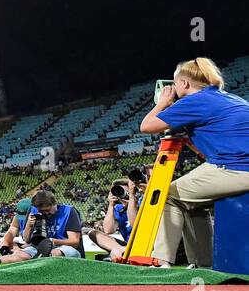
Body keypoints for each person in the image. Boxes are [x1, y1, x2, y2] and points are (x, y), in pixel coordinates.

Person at [141, 57, 249, 267]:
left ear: (184, 83)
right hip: (239, 166)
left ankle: (163, 262)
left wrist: (162, 103)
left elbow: (146, 126)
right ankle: (204, 265)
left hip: (236, 168)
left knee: (168, 195)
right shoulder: (232, 98)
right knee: (192, 203)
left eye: (175, 83)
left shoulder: (194, 101)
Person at [0, 190, 83, 263]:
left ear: (54, 204)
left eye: (48, 210)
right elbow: (26, 239)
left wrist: (52, 241)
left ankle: (40, 258)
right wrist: (29, 225)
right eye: (41, 211)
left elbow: (74, 242)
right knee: (21, 254)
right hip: (39, 247)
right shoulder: (34, 210)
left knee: (56, 253)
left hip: (66, 248)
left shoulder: (68, 212)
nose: (45, 214)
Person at [85, 177, 139, 261]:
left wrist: (132, 198)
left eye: (126, 192)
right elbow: (108, 230)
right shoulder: (118, 208)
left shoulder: (141, 204)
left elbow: (135, 224)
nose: (123, 194)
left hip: (143, 243)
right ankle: (122, 251)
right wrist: (111, 205)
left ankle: (123, 252)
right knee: (93, 233)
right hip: (126, 245)